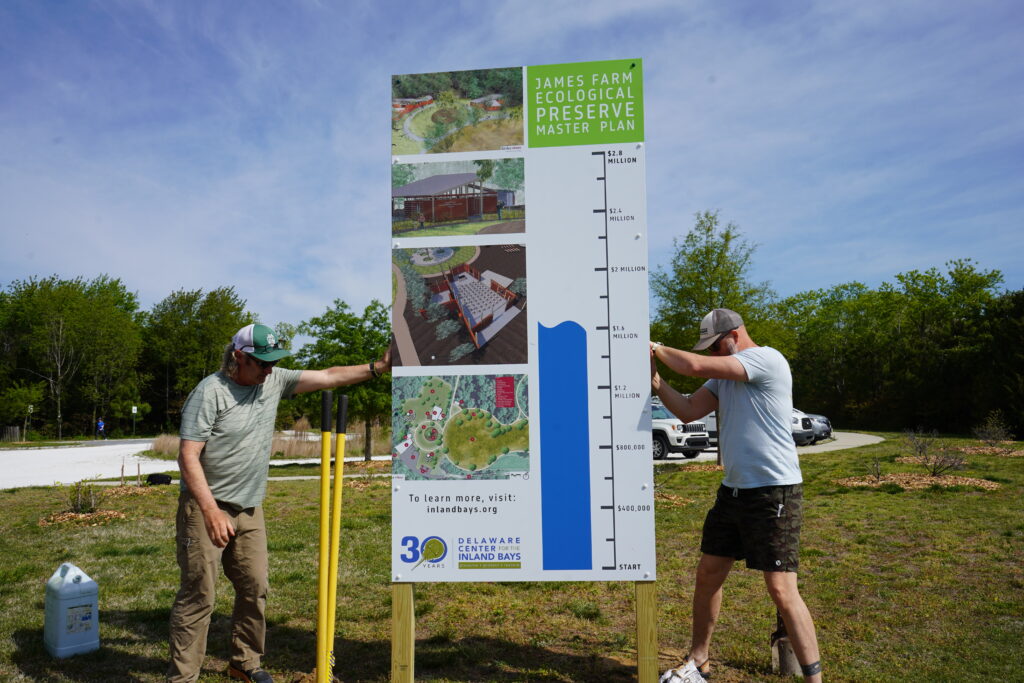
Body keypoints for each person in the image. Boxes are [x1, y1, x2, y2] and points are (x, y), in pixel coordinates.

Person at [167, 323, 391, 683]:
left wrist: (377, 367)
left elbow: (329, 376)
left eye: (273, 363)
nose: (269, 370)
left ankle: (245, 662)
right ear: (238, 358)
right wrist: (210, 511)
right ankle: (182, 678)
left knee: (256, 588)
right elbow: (188, 456)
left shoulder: (272, 380)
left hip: (250, 507)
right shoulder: (210, 393)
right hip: (206, 506)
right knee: (199, 596)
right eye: (261, 364)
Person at [651, 309, 822, 683]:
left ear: (733, 335)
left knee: (781, 588)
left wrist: (654, 347)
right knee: (708, 573)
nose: (712, 355)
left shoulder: (766, 359)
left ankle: (814, 679)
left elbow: (694, 366)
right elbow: (687, 410)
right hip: (733, 491)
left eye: (715, 347)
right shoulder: (722, 377)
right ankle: (699, 662)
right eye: (709, 350)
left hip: (773, 491)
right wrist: (656, 381)